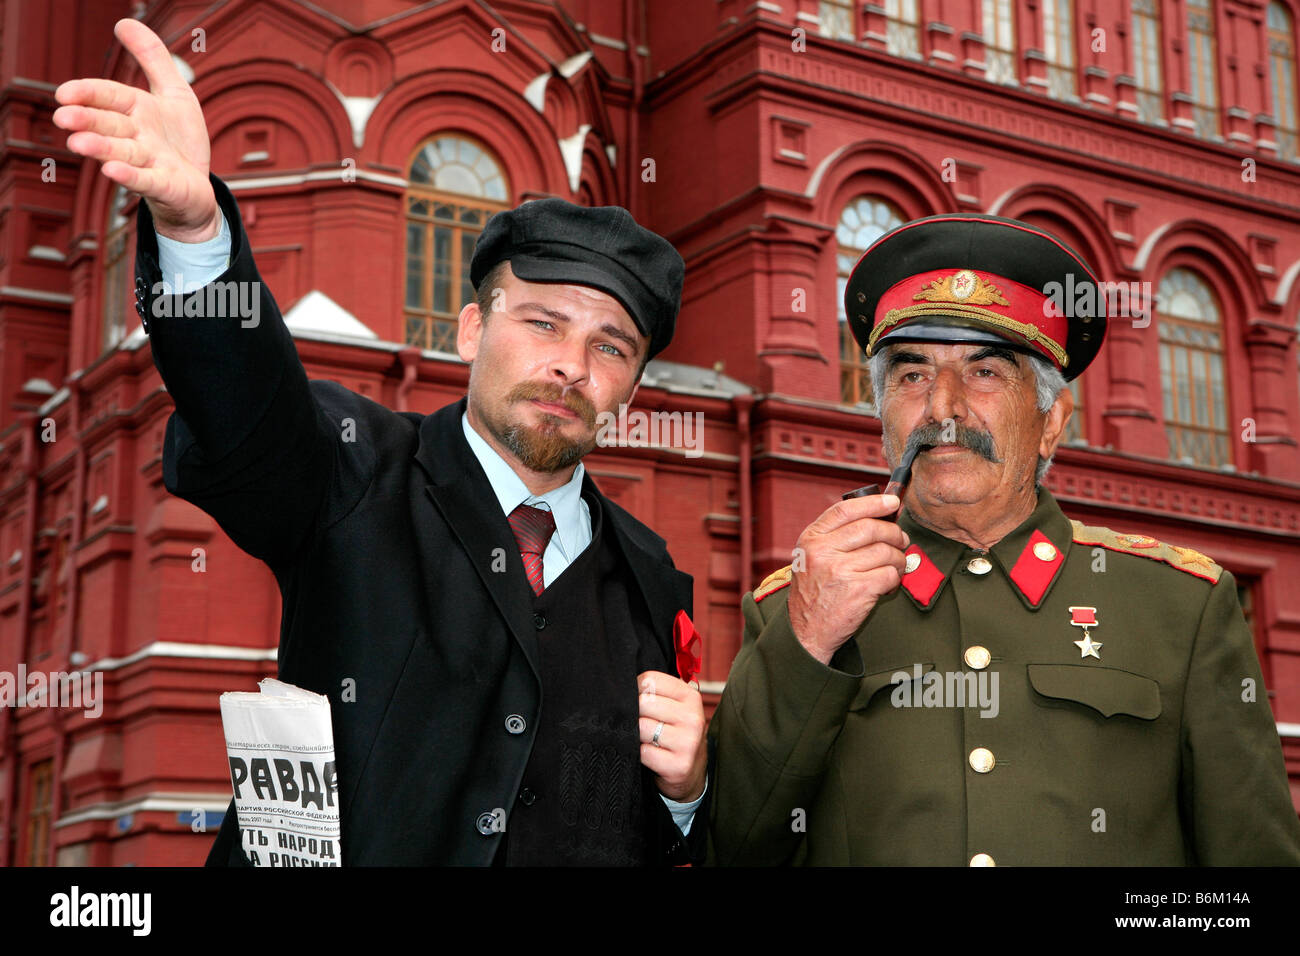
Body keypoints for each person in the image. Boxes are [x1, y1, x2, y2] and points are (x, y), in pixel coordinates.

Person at [55, 18, 708, 866]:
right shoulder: (353, 470)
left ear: (632, 384)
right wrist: (194, 234)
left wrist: (689, 794)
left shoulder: (651, 575)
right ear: (472, 329)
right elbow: (248, 412)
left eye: (611, 346)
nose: (571, 367)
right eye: (543, 322)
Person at [708, 212, 1300, 865]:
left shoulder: (1182, 609)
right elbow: (731, 844)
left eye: (986, 373)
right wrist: (809, 643)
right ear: (881, 416)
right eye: (912, 376)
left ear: (1052, 422)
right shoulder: (796, 608)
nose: (942, 409)